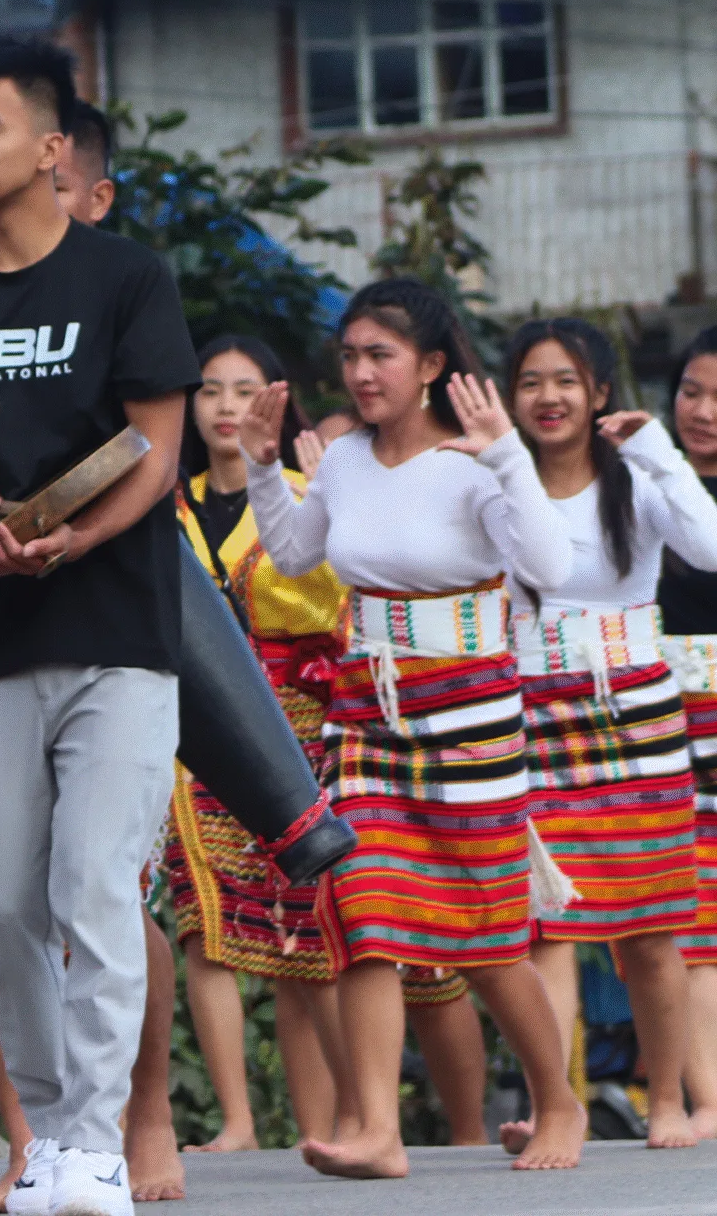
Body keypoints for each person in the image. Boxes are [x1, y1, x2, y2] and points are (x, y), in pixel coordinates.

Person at [0, 38, 195, 1216]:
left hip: (117, 629)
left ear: (50, 148)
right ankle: (45, 1135)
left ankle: (94, 1146)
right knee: (8, 901)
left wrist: (68, 539)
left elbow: (157, 452)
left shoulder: (124, 276)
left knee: (93, 885)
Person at [239, 278, 588, 1178]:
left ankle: (559, 1100)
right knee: (361, 907)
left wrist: (510, 454)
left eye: (379, 355)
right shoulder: (347, 457)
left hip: (471, 711)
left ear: (432, 365)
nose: (359, 372)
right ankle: (376, 1129)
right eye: (350, 355)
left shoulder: (480, 459)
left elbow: (550, 563)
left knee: (484, 929)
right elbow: (294, 552)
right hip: (367, 711)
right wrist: (256, 463)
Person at [504, 316, 717, 1149]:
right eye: (530, 380)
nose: (548, 396)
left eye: (566, 380)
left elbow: (709, 544)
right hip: (531, 708)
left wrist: (659, 449)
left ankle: (667, 1098)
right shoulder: (501, 477)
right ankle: (558, 1103)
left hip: (637, 709)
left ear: (598, 392)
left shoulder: (640, 476)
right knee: (548, 920)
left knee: (651, 922)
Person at [165, 337, 353, 1150]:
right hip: (189, 727)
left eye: (245, 389)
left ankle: (344, 1115)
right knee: (204, 922)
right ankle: (238, 1119)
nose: (226, 405)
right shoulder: (158, 501)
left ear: (273, 401)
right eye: (209, 389)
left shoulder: (306, 495)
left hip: (296, 724)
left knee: (306, 931)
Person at [657, 323, 717, 1135]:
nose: (702, 410)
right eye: (692, 391)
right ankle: (706, 1098)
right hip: (662, 722)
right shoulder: (645, 487)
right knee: (690, 916)